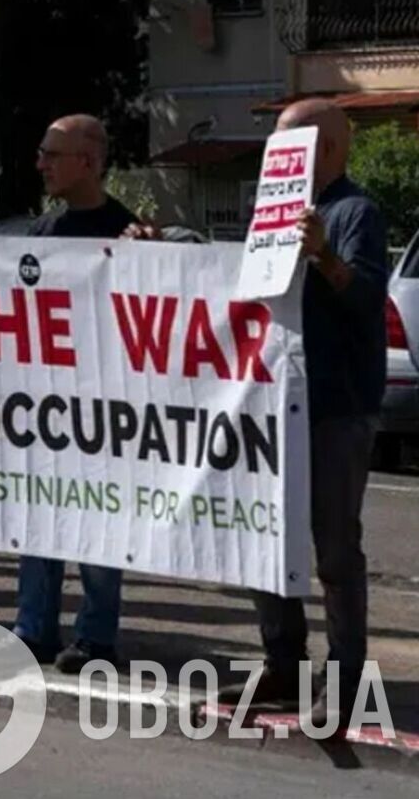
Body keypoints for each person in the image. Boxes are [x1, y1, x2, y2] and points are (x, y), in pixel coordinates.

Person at [207, 99, 385, 729]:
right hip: (274, 402)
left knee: (335, 550)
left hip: (335, 407)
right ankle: (282, 663)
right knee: (265, 536)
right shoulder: (273, 215)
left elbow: (367, 298)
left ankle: (345, 679)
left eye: (286, 144)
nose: (273, 156)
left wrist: (325, 257)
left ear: (324, 149)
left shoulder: (355, 212)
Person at [0, 113, 137, 673]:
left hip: (102, 402)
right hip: (43, 402)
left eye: (51, 154)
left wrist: (149, 256)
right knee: (38, 516)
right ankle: (33, 627)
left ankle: (96, 636)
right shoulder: (41, 231)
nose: (40, 164)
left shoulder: (125, 230)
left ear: (88, 161)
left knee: (99, 520)